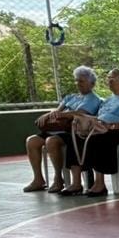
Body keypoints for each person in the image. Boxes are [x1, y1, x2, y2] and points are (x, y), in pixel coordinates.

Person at [23, 66, 102, 194]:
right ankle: (38, 179)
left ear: (91, 83)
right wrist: (48, 115)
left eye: (81, 81)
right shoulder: (71, 97)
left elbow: (80, 114)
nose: (78, 84)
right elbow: (57, 111)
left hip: (71, 131)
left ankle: (58, 178)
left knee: (51, 141)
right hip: (56, 127)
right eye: (77, 81)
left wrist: (63, 114)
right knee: (31, 141)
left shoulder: (93, 99)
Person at [73, 69, 119, 197]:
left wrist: (110, 126)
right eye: (108, 78)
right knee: (77, 138)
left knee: (98, 139)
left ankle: (100, 183)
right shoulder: (108, 100)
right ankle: (83, 181)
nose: (108, 81)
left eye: (112, 78)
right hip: (102, 129)